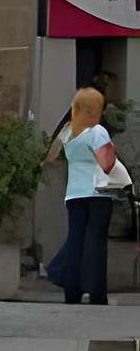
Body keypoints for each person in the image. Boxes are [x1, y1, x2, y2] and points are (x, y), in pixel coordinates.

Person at [48, 86, 121, 305]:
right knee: (96, 242)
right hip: (98, 193)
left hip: (74, 194)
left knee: (76, 239)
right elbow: (107, 163)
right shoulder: (97, 132)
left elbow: (51, 157)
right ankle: (97, 293)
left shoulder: (68, 131)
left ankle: (72, 292)